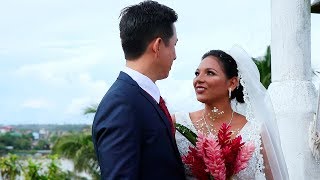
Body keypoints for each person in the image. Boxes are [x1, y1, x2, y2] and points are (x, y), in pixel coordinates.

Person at [92, 1, 185, 179]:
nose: (175, 55)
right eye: (174, 45)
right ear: (157, 45)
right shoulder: (121, 105)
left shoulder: (140, 96)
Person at [174, 46, 289, 179]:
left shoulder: (256, 132)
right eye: (197, 73)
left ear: (232, 83)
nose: (198, 79)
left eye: (210, 73)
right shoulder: (177, 123)